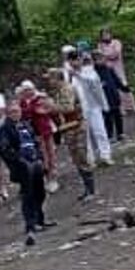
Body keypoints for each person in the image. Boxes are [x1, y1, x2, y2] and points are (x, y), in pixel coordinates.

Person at [0, 102, 54, 246]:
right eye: (12, 112)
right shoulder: (5, 129)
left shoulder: (26, 125)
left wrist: (40, 158)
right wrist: (19, 161)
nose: (16, 114)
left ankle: (40, 220)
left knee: (40, 192)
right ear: (8, 114)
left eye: (17, 111)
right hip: (23, 167)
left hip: (35, 162)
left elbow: (35, 142)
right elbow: (5, 149)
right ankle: (30, 225)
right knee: (28, 195)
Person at [44, 67, 98, 202]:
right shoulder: (56, 92)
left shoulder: (67, 89)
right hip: (67, 128)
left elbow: (69, 108)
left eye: (51, 79)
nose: (49, 82)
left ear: (58, 78)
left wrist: (51, 107)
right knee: (76, 158)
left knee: (81, 155)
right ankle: (87, 189)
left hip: (76, 126)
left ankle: (91, 190)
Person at [71, 51, 114, 166]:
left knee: (99, 130)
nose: (76, 62)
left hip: (93, 105)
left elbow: (94, 84)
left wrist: (78, 75)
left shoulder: (89, 71)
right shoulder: (69, 76)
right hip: (80, 109)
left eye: (77, 59)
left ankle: (105, 155)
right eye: (73, 59)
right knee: (86, 135)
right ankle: (91, 158)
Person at [16, 81, 61, 193]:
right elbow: (21, 114)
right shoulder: (22, 102)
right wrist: (30, 111)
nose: (28, 92)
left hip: (45, 130)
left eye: (30, 89)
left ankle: (53, 177)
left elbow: (42, 110)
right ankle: (43, 178)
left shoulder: (40, 99)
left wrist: (29, 111)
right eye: (25, 90)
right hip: (32, 133)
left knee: (50, 154)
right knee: (39, 156)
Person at [96, 27, 135, 113]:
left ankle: (133, 106)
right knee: (115, 88)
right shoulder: (100, 45)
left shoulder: (116, 42)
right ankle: (121, 108)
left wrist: (106, 55)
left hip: (118, 68)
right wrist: (106, 55)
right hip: (108, 69)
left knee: (124, 85)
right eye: (103, 35)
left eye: (107, 34)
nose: (105, 36)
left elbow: (116, 53)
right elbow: (100, 56)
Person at [99, 62, 129, 145]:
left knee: (118, 115)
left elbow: (116, 80)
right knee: (108, 118)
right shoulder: (95, 72)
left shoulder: (109, 69)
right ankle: (110, 135)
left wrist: (124, 88)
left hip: (113, 95)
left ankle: (120, 133)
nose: (99, 61)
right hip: (104, 97)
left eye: (100, 58)